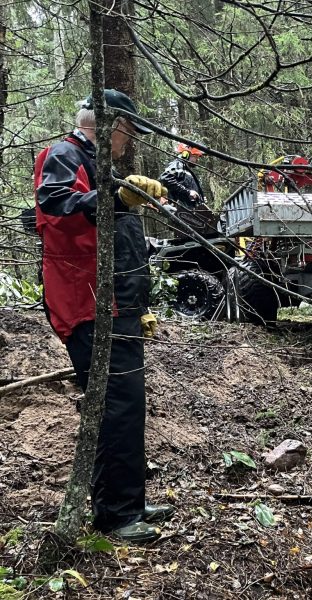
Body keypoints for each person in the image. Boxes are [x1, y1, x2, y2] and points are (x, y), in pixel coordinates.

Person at [33, 89, 174, 543]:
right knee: (115, 406)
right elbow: (56, 206)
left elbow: (124, 246)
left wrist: (140, 307)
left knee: (128, 406)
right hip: (86, 304)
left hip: (118, 307)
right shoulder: (63, 154)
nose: (129, 139)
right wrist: (115, 195)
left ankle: (127, 502)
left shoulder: (105, 169)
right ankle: (115, 515)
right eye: (127, 129)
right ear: (108, 124)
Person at [160, 143, 206, 210]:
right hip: (181, 209)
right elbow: (165, 178)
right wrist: (188, 192)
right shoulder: (178, 164)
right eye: (195, 156)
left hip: (190, 210)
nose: (197, 159)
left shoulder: (185, 170)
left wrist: (200, 198)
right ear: (186, 154)